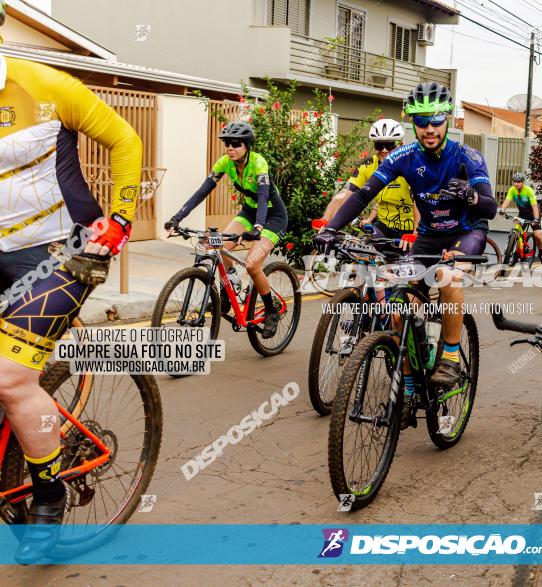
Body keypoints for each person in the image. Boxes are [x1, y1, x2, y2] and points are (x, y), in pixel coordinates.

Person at [0, 1, 143, 562]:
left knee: (10, 380)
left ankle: (49, 496)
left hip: (64, 252)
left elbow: (126, 142)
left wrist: (123, 219)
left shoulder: (45, 85)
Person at [314, 82, 496, 392]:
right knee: (398, 313)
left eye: (436, 120)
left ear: (447, 120)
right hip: (428, 238)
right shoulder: (405, 156)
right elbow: (364, 194)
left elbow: (490, 208)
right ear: (412, 122)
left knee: (446, 276)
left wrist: (471, 197)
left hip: (466, 234)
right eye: (421, 121)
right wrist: (331, 227)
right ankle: (410, 388)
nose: (429, 128)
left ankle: (450, 358)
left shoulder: (468, 157)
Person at [164, 121, 288, 338]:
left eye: (235, 143)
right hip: (249, 213)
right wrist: (177, 217)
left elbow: (263, 196)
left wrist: (259, 227)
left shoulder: (259, 163)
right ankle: (230, 284)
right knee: (217, 244)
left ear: (247, 145)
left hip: (272, 217)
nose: (230, 147)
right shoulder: (225, 163)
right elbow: (202, 191)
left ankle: (271, 310)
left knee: (251, 264)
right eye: (227, 143)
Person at [321, 119, 418, 247]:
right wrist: (325, 221)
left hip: (412, 227)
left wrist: (416, 234)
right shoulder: (368, 165)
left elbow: (420, 202)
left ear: (400, 144)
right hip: (384, 225)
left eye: (389, 145)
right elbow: (345, 193)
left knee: (408, 264)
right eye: (379, 145)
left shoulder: (410, 163)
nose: (384, 150)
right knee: (362, 252)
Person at [501, 172, 542, 259]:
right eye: (515, 181)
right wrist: (502, 209)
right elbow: (507, 200)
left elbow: (534, 206)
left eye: (518, 182)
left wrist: (536, 219)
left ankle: (541, 254)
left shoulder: (528, 191)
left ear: (522, 182)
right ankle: (516, 256)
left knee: (538, 235)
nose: (516, 183)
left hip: (533, 214)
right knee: (517, 233)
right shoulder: (512, 190)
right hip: (522, 214)